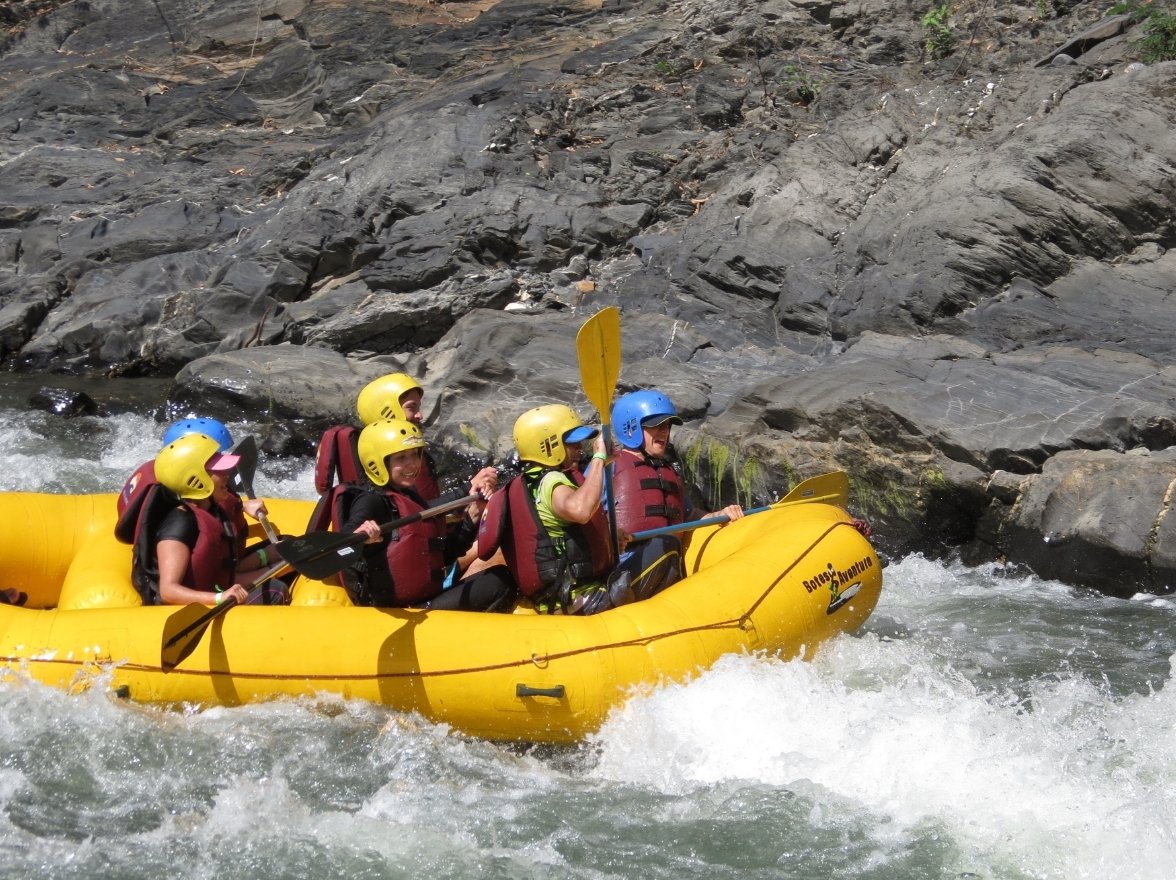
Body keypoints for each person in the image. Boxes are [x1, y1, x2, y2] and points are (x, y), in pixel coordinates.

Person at [342, 418, 514, 611]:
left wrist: (472, 516)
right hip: (397, 611)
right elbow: (344, 541)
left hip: (424, 598)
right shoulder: (371, 500)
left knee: (498, 576)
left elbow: (444, 555)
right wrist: (359, 538)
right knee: (501, 583)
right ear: (377, 463)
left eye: (415, 455)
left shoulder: (407, 496)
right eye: (401, 458)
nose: (412, 464)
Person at [477, 404, 633, 615]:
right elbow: (580, 510)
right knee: (663, 549)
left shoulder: (530, 482)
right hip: (579, 599)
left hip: (556, 599)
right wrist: (598, 459)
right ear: (547, 446)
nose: (579, 448)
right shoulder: (551, 480)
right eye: (571, 443)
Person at [608, 390, 744, 598]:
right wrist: (610, 534)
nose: (664, 432)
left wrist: (721, 515)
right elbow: (582, 517)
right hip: (624, 572)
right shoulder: (610, 467)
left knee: (667, 545)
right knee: (666, 543)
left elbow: (689, 515)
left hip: (666, 567)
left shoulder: (668, 471)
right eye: (656, 426)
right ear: (631, 428)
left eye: (667, 426)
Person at [131, 433, 288, 606]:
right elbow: (168, 591)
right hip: (190, 604)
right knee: (275, 590)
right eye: (219, 470)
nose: (227, 474)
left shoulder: (211, 507)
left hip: (217, 583)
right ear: (197, 479)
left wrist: (271, 560)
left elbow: (223, 571)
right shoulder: (179, 524)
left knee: (288, 546)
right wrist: (219, 598)